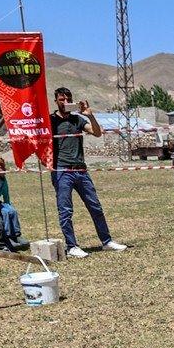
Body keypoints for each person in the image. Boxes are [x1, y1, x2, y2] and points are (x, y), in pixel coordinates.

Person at [50, 88, 127, 258]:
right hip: (62, 170)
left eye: (68, 98)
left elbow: (98, 133)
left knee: (95, 207)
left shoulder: (78, 119)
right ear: (56, 101)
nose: (65, 101)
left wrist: (90, 115)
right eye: (62, 99)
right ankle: (72, 246)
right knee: (65, 210)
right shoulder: (51, 121)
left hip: (81, 170)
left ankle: (106, 241)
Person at [0, 155, 24, 244]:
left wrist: (7, 203)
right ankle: (8, 236)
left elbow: (5, 191)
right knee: (5, 213)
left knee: (12, 211)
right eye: (0, 167)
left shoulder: (2, 178)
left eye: (3, 166)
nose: (4, 168)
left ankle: (16, 235)